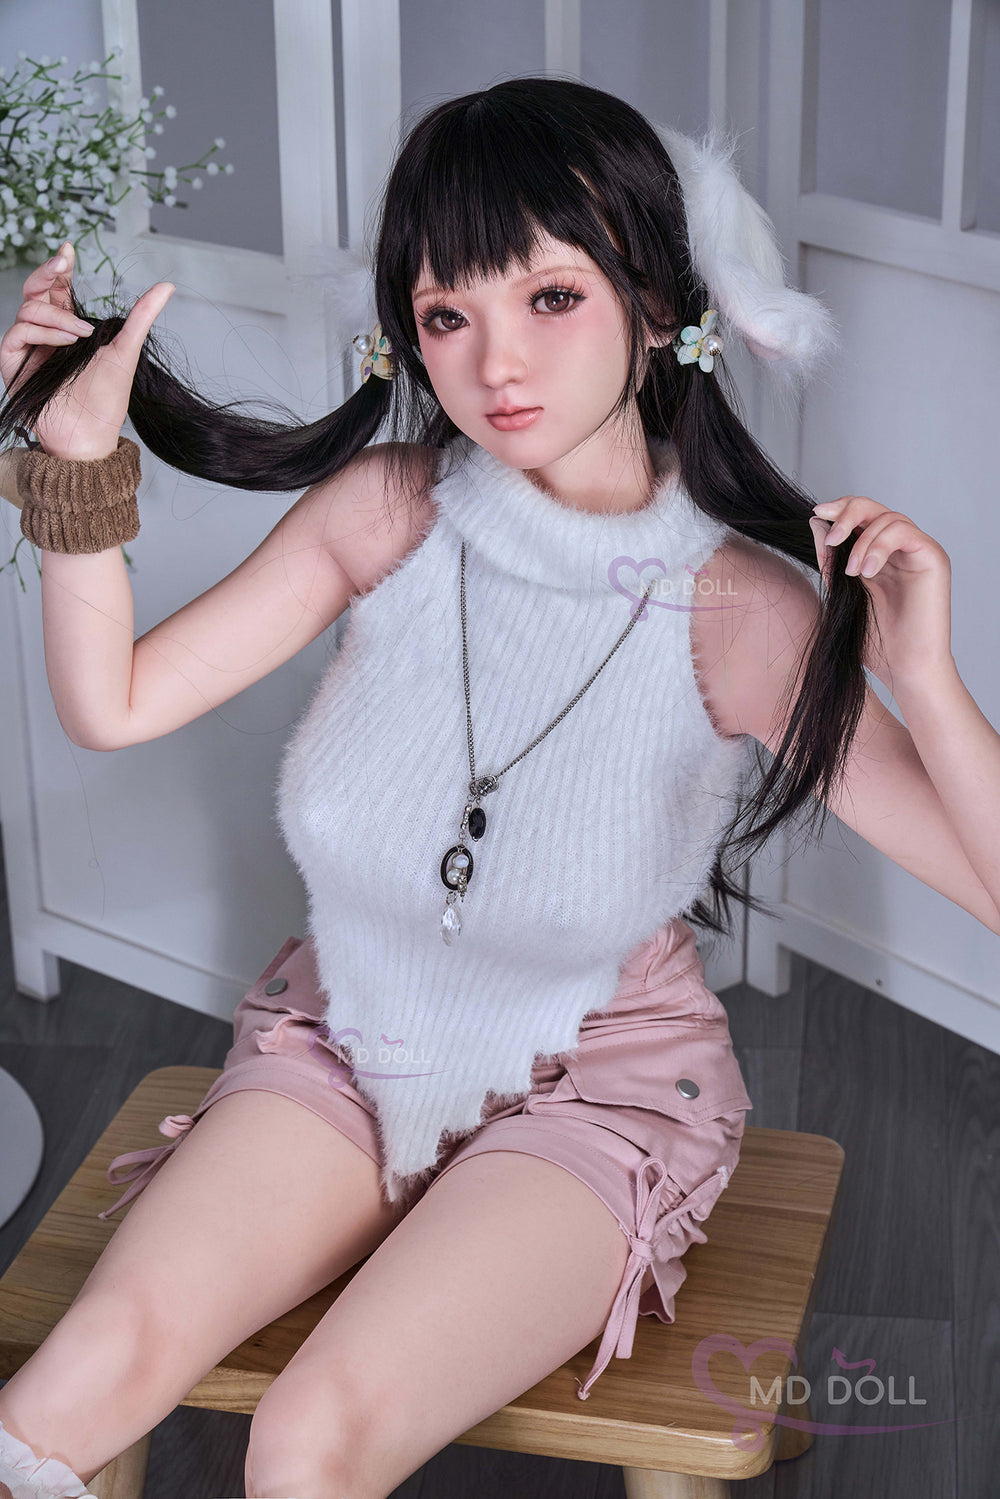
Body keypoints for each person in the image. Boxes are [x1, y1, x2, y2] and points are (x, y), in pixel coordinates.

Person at [1, 75, 998, 1499]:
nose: (494, 364)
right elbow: (112, 707)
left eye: (551, 297)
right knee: (71, 1383)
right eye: (446, 315)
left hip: (599, 1087)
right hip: (345, 1037)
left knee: (304, 1442)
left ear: (659, 307)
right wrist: (78, 461)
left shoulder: (738, 612)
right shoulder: (385, 513)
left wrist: (929, 684)